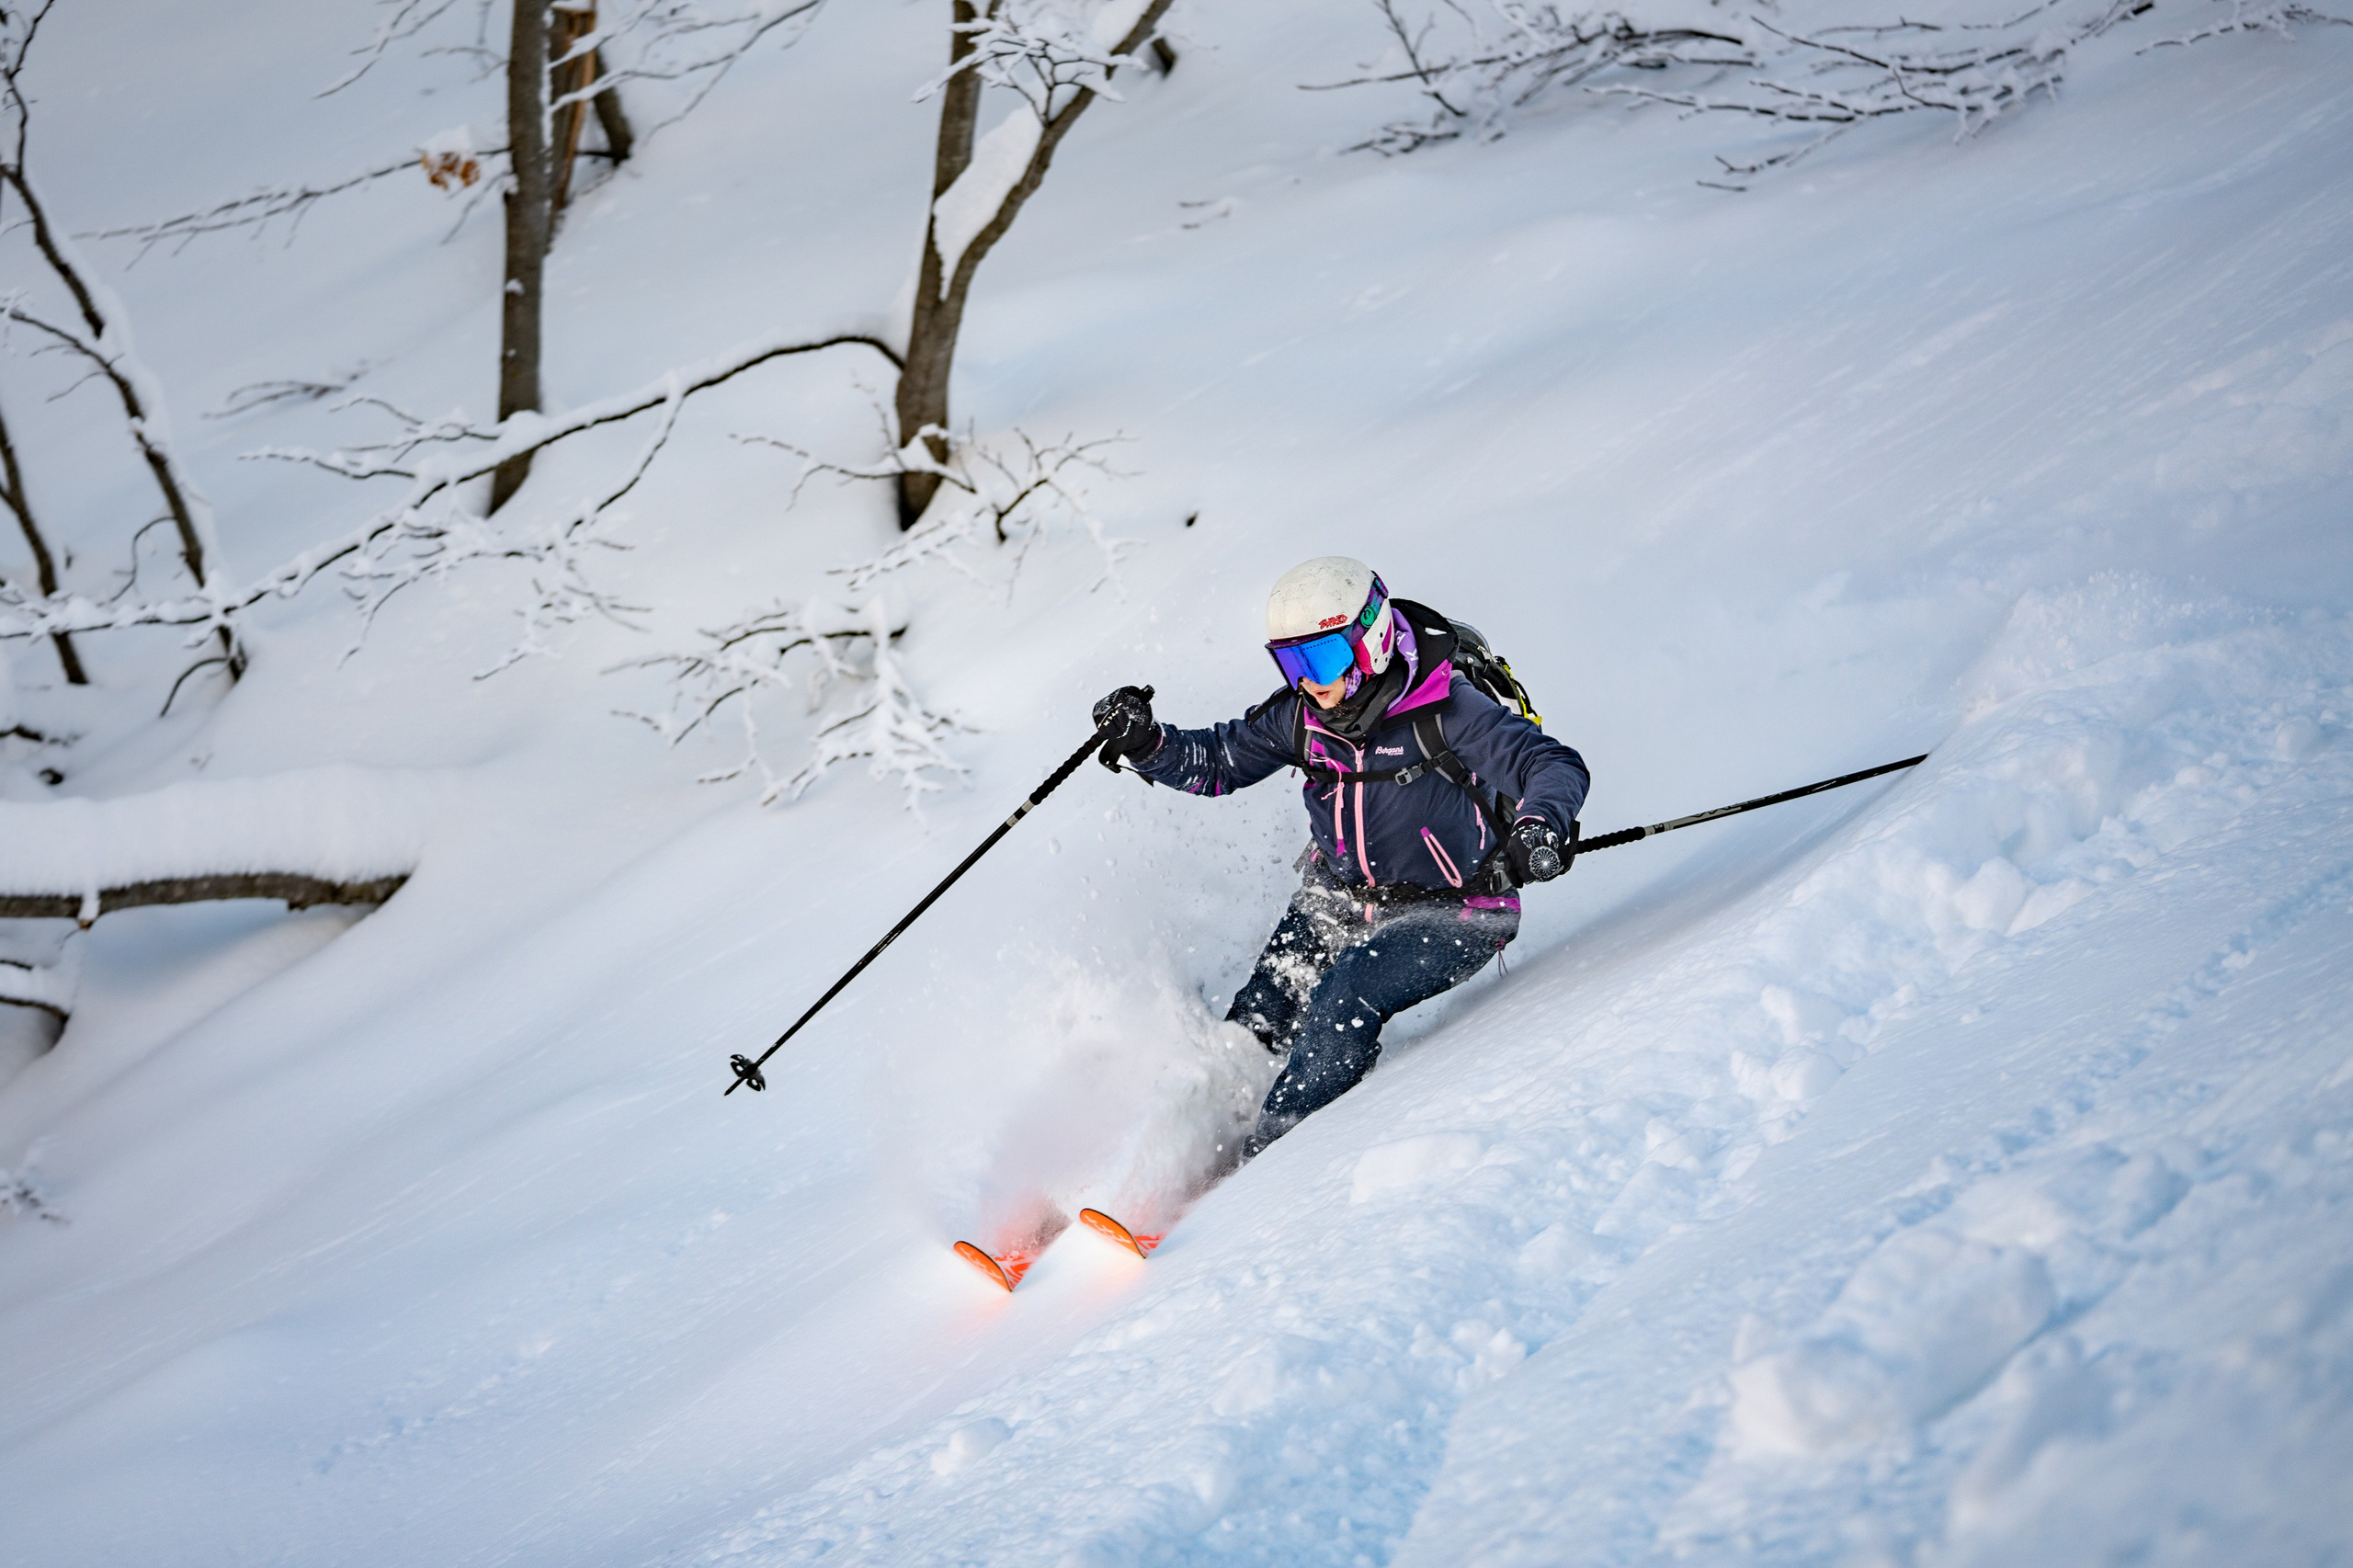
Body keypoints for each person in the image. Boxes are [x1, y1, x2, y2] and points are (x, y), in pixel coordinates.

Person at [1092, 556, 1589, 1158]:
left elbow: (1551, 765)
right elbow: (1220, 762)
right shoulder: (1302, 718)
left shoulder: (1447, 711)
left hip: (1459, 912)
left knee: (1346, 992)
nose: (1309, 681)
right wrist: (1147, 743)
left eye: (1322, 659)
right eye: (1292, 663)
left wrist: (1540, 827)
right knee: (1258, 1015)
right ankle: (1197, 1141)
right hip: (1341, 897)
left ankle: (1266, 1159)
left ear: (1373, 641)